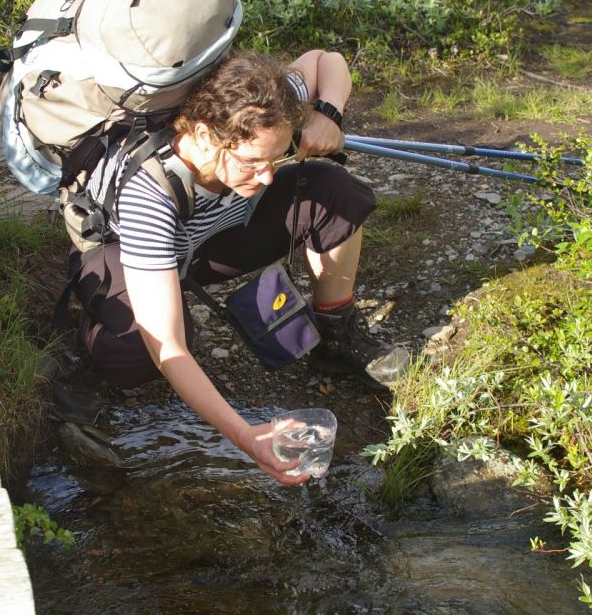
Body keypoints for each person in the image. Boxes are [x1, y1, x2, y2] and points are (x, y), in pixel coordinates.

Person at [59, 49, 403, 485]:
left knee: (336, 190)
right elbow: (169, 347)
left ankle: (336, 336)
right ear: (203, 134)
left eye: (275, 159)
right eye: (252, 163)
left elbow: (326, 60)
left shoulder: (267, 107)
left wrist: (327, 114)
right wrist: (247, 436)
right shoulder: (148, 196)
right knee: (143, 345)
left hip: (207, 238)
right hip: (121, 256)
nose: (266, 177)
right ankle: (84, 357)